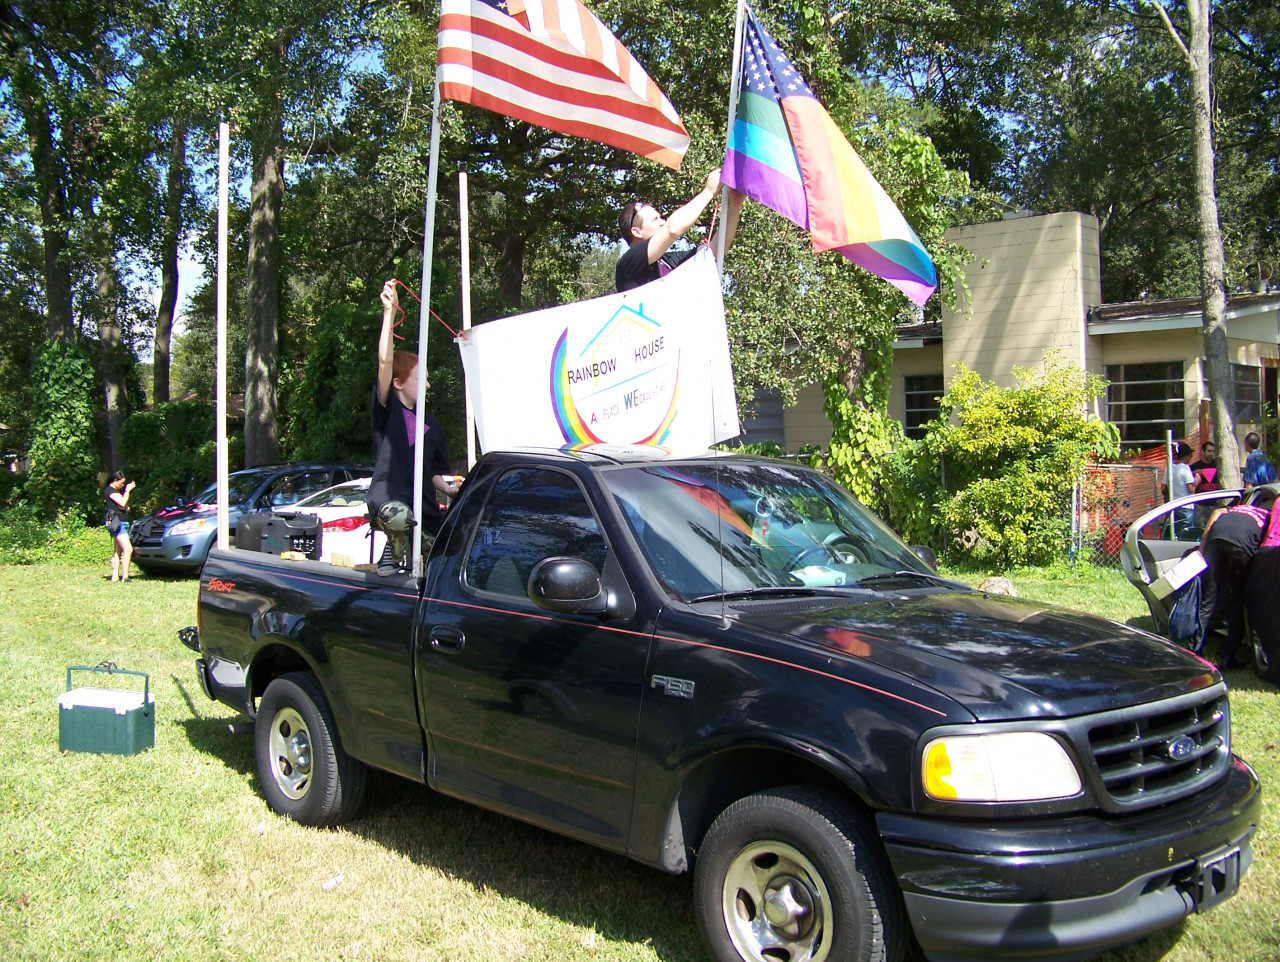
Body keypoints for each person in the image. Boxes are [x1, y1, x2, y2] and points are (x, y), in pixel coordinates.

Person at [369, 280, 460, 575]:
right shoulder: (387, 411)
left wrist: (450, 488)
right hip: (391, 504)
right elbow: (385, 361)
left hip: (426, 513)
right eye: (422, 378)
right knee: (400, 517)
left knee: (447, 556)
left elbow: (436, 473)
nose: (428, 385)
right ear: (398, 384)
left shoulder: (431, 424)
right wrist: (389, 313)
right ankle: (393, 549)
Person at [615, 170, 745, 293]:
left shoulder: (668, 261)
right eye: (654, 219)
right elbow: (672, 229)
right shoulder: (628, 265)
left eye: (660, 217)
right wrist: (708, 192)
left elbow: (716, 250)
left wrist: (735, 205)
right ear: (637, 232)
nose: (662, 222)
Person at [1198, 502, 1271, 668]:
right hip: (1240, 545)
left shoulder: (1240, 507)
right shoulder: (1267, 517)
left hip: (1215, 540)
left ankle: (1195, 649)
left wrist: (1202, 548)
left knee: (1208, 598)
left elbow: (1216, 512)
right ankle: (1228, 655)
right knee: (1237, 600)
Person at [103, 470, 135, 583]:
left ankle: (115, 576)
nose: (122, 485)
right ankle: (125, 577)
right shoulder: (110, 491)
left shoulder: (115, 491)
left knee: (117, 550)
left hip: (122, 522)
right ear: (115, 480)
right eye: (121, 483)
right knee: (128, 549)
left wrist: (126, 507)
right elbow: (122, 502)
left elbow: (123, 506)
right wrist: (127, 491)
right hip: (118, 523)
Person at [1169, 442, 1195, 536]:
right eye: (1190, 456)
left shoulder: (1170, 468)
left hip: (1174, 505)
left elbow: (1164, 487)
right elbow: (1191, 489)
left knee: (1175, 532)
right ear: (1186, 456)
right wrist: (1197, 481)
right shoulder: (1185, 468)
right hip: (1186, 506)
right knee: (1186, 532)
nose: (1190, 458)